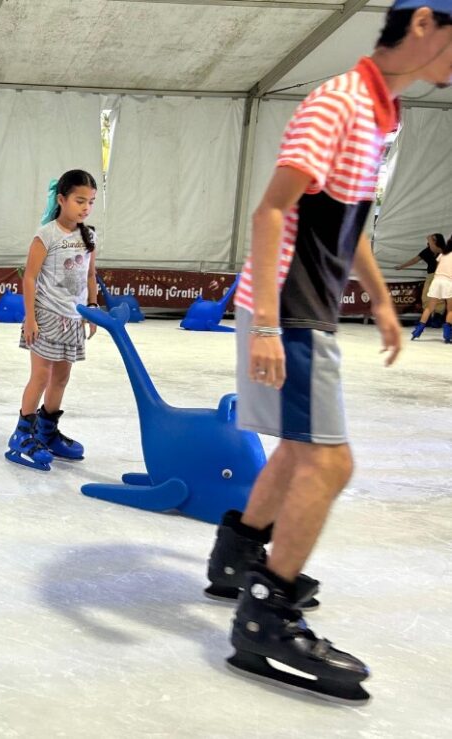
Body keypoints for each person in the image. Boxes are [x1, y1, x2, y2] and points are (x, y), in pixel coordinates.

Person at [204, 1, 452, 703]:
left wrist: (376, 297)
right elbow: (272, 210)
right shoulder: (339, 102)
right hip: (287, 307)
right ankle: (268, 613)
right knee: (329, 459)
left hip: (301, 303)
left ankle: (239, 560)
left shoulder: (382, 114)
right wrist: (267, 324)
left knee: (295, 449)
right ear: (426, 24)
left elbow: (350, 223)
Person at [5, 171, 98, 471]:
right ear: (62, 199)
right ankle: (22, 433)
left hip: (73, 319)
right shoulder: (46, 235)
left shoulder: (89, 236)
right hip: (45, 317)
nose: (85, 207)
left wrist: (93, 307)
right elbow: (30, 278)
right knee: (41, 376)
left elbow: (91, 275)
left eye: (91, 202)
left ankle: (47, 430)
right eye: (79, 200)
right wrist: (30, 318)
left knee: (61, 377)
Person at [411, 234, 452, 341]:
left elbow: (438, 268)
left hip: (436, 280)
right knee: (450, 310)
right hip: (448, 282)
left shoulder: (443, 254)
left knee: (429, 307)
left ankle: (418, 330)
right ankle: (447, 334)